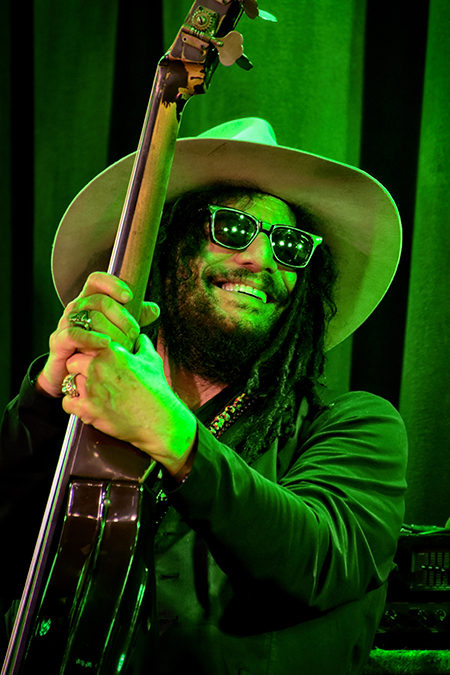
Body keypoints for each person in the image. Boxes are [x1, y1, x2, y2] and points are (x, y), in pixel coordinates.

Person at [0, 118, 407, 674]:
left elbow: (316, 563)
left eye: (289, 246)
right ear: (170, 245)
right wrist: (48, 393)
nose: (262, 261)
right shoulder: (76, 415)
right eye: (234, 230)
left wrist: (171, 433)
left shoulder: (353, 425)